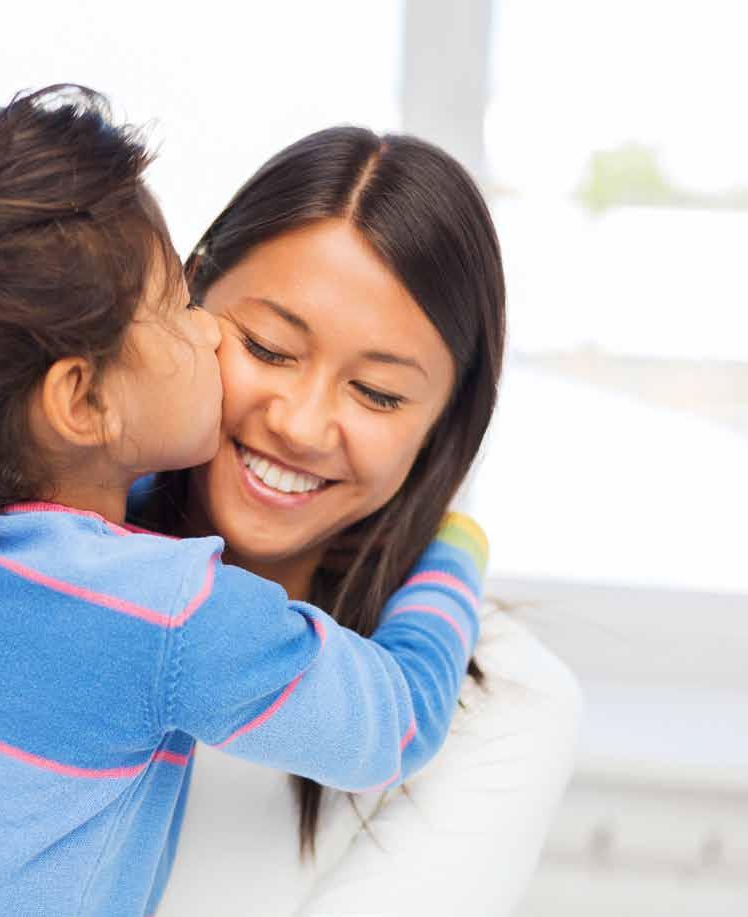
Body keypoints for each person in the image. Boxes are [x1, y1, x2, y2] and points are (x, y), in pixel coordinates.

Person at [0, 87, 487, 917]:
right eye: (181, 309)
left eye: (376, 392)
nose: (209, 331)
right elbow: (397, 720)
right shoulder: (173, 613)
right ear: (80, 401)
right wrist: (455, 545)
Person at [131, 127, 583, 916]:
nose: (302, 425)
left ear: (444, 421)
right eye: (269, 348)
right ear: (187, 299)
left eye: (377, 393)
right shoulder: (28, 559)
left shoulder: (504, 705)